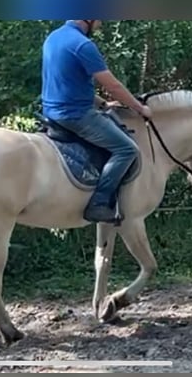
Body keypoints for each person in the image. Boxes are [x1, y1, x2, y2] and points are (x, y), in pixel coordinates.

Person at [41, 20, 153, 224]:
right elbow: (112, 85)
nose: (101, 23)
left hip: (52, 111)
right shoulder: (83, 45)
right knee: (127, 149)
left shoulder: (53, 38)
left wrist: (102, 103)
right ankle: (99, 203)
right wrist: (140, 108)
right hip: (75, 115)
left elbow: (68, 81)